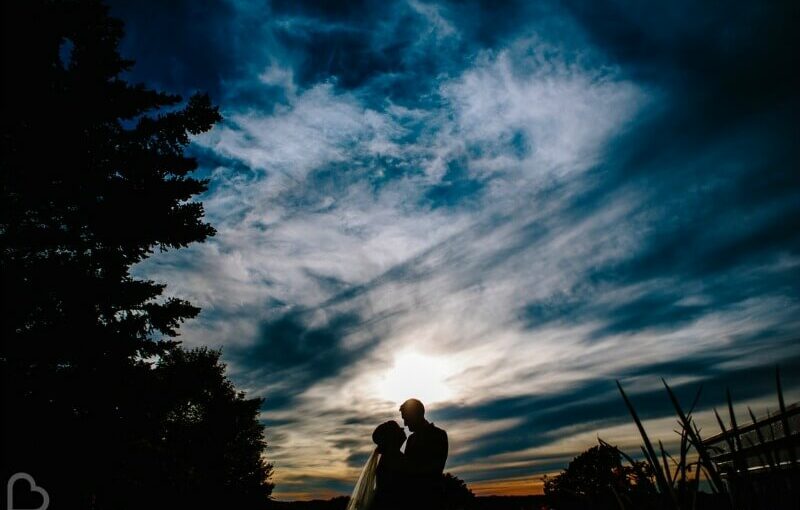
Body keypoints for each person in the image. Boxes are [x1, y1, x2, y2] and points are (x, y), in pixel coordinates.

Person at [400, 398, 448, 508]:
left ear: (416, 415)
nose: (405, 424)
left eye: (406, 418)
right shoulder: (410, 439)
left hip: (431, 499)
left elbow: (436, 468)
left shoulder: (439, 435)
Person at [371, 420, 408, 510]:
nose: (403, 432)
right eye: (400, 430)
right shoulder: (393, 459)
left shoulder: (390, 457)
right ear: (393, 438)